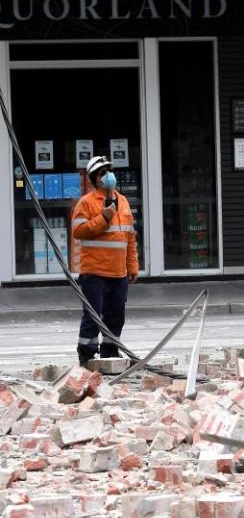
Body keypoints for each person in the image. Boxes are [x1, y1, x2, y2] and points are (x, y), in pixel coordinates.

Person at [71, 156, 139, 366]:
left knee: (116, 315)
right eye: (102, 173)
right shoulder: (87, 202)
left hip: (118, 273)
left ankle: (110, 352)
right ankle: (87, 355)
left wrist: (132, 265)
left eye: (109, 171)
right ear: (94, 178)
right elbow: (79, 231)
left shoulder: (123, 201)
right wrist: (104, 217)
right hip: (94, 272)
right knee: (93, 316)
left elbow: (129, 236)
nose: (108, 176)